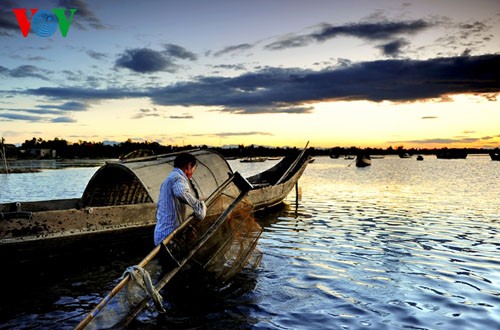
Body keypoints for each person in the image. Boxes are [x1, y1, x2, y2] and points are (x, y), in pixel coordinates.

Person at [154, 153, 206, 246]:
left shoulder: (170, 178)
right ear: (189, 166)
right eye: (194, 168)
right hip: (168, 237)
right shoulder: (179, 178)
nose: (193, 172)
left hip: (161, 235)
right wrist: (198, 206)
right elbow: (181, 192)